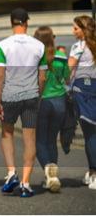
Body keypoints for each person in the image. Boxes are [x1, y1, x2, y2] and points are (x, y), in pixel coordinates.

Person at [0, 8, 47, 198]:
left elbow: (0, 75)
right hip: (31, 96)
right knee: (29, 139)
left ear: (11, 23)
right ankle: (25, 183)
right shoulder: (39, 46)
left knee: (7, 134)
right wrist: (37, 95)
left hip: (9, 97)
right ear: (26, 22)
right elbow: (42, 77)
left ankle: (11, 173)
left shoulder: (2, 45)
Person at [34, 26, 69, 193]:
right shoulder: (61, 56)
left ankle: (49, 173)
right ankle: (52, 176)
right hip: (60, 101)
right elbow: (67, 79)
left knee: (39, 141)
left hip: (42, 102)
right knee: (51, 140)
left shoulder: (36, 57)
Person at [68, 15, 96, 190]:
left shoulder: (78, 46)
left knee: (90, 134)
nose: (73, 31)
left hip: (83, 91)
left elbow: (68, 69)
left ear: (83, 29)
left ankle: (94, 173)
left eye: (76, 28)